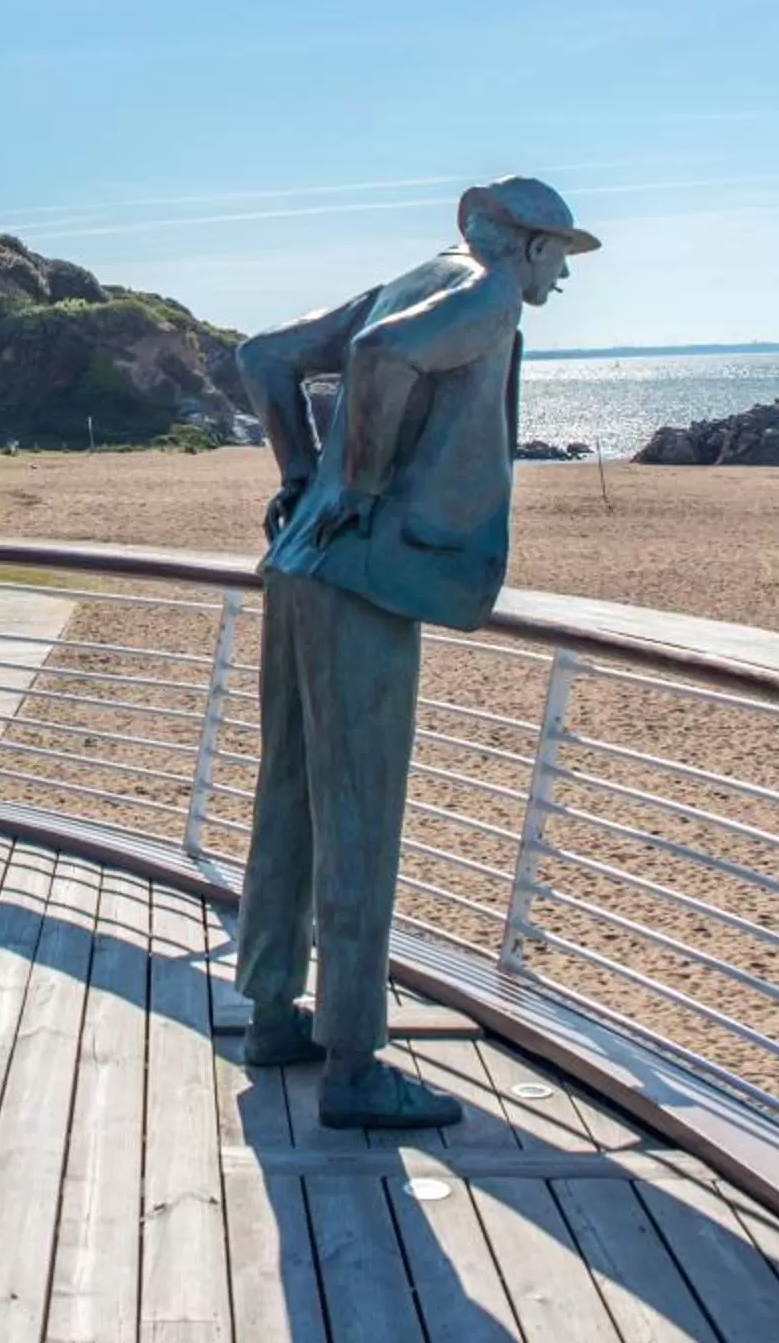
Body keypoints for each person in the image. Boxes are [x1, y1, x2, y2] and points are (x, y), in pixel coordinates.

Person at [232, 176, 599, 1129]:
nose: (562, 273)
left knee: (291, 791)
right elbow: (383, 357)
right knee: (358, 808)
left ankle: (273, 1013)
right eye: (559, 253)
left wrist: (302, 474)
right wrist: (359, 483)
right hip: (362, 576)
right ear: (523, 245)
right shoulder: (484, 293)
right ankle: (354, 1065)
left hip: (299, 563)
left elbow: (262, 357)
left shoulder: (406, 277)